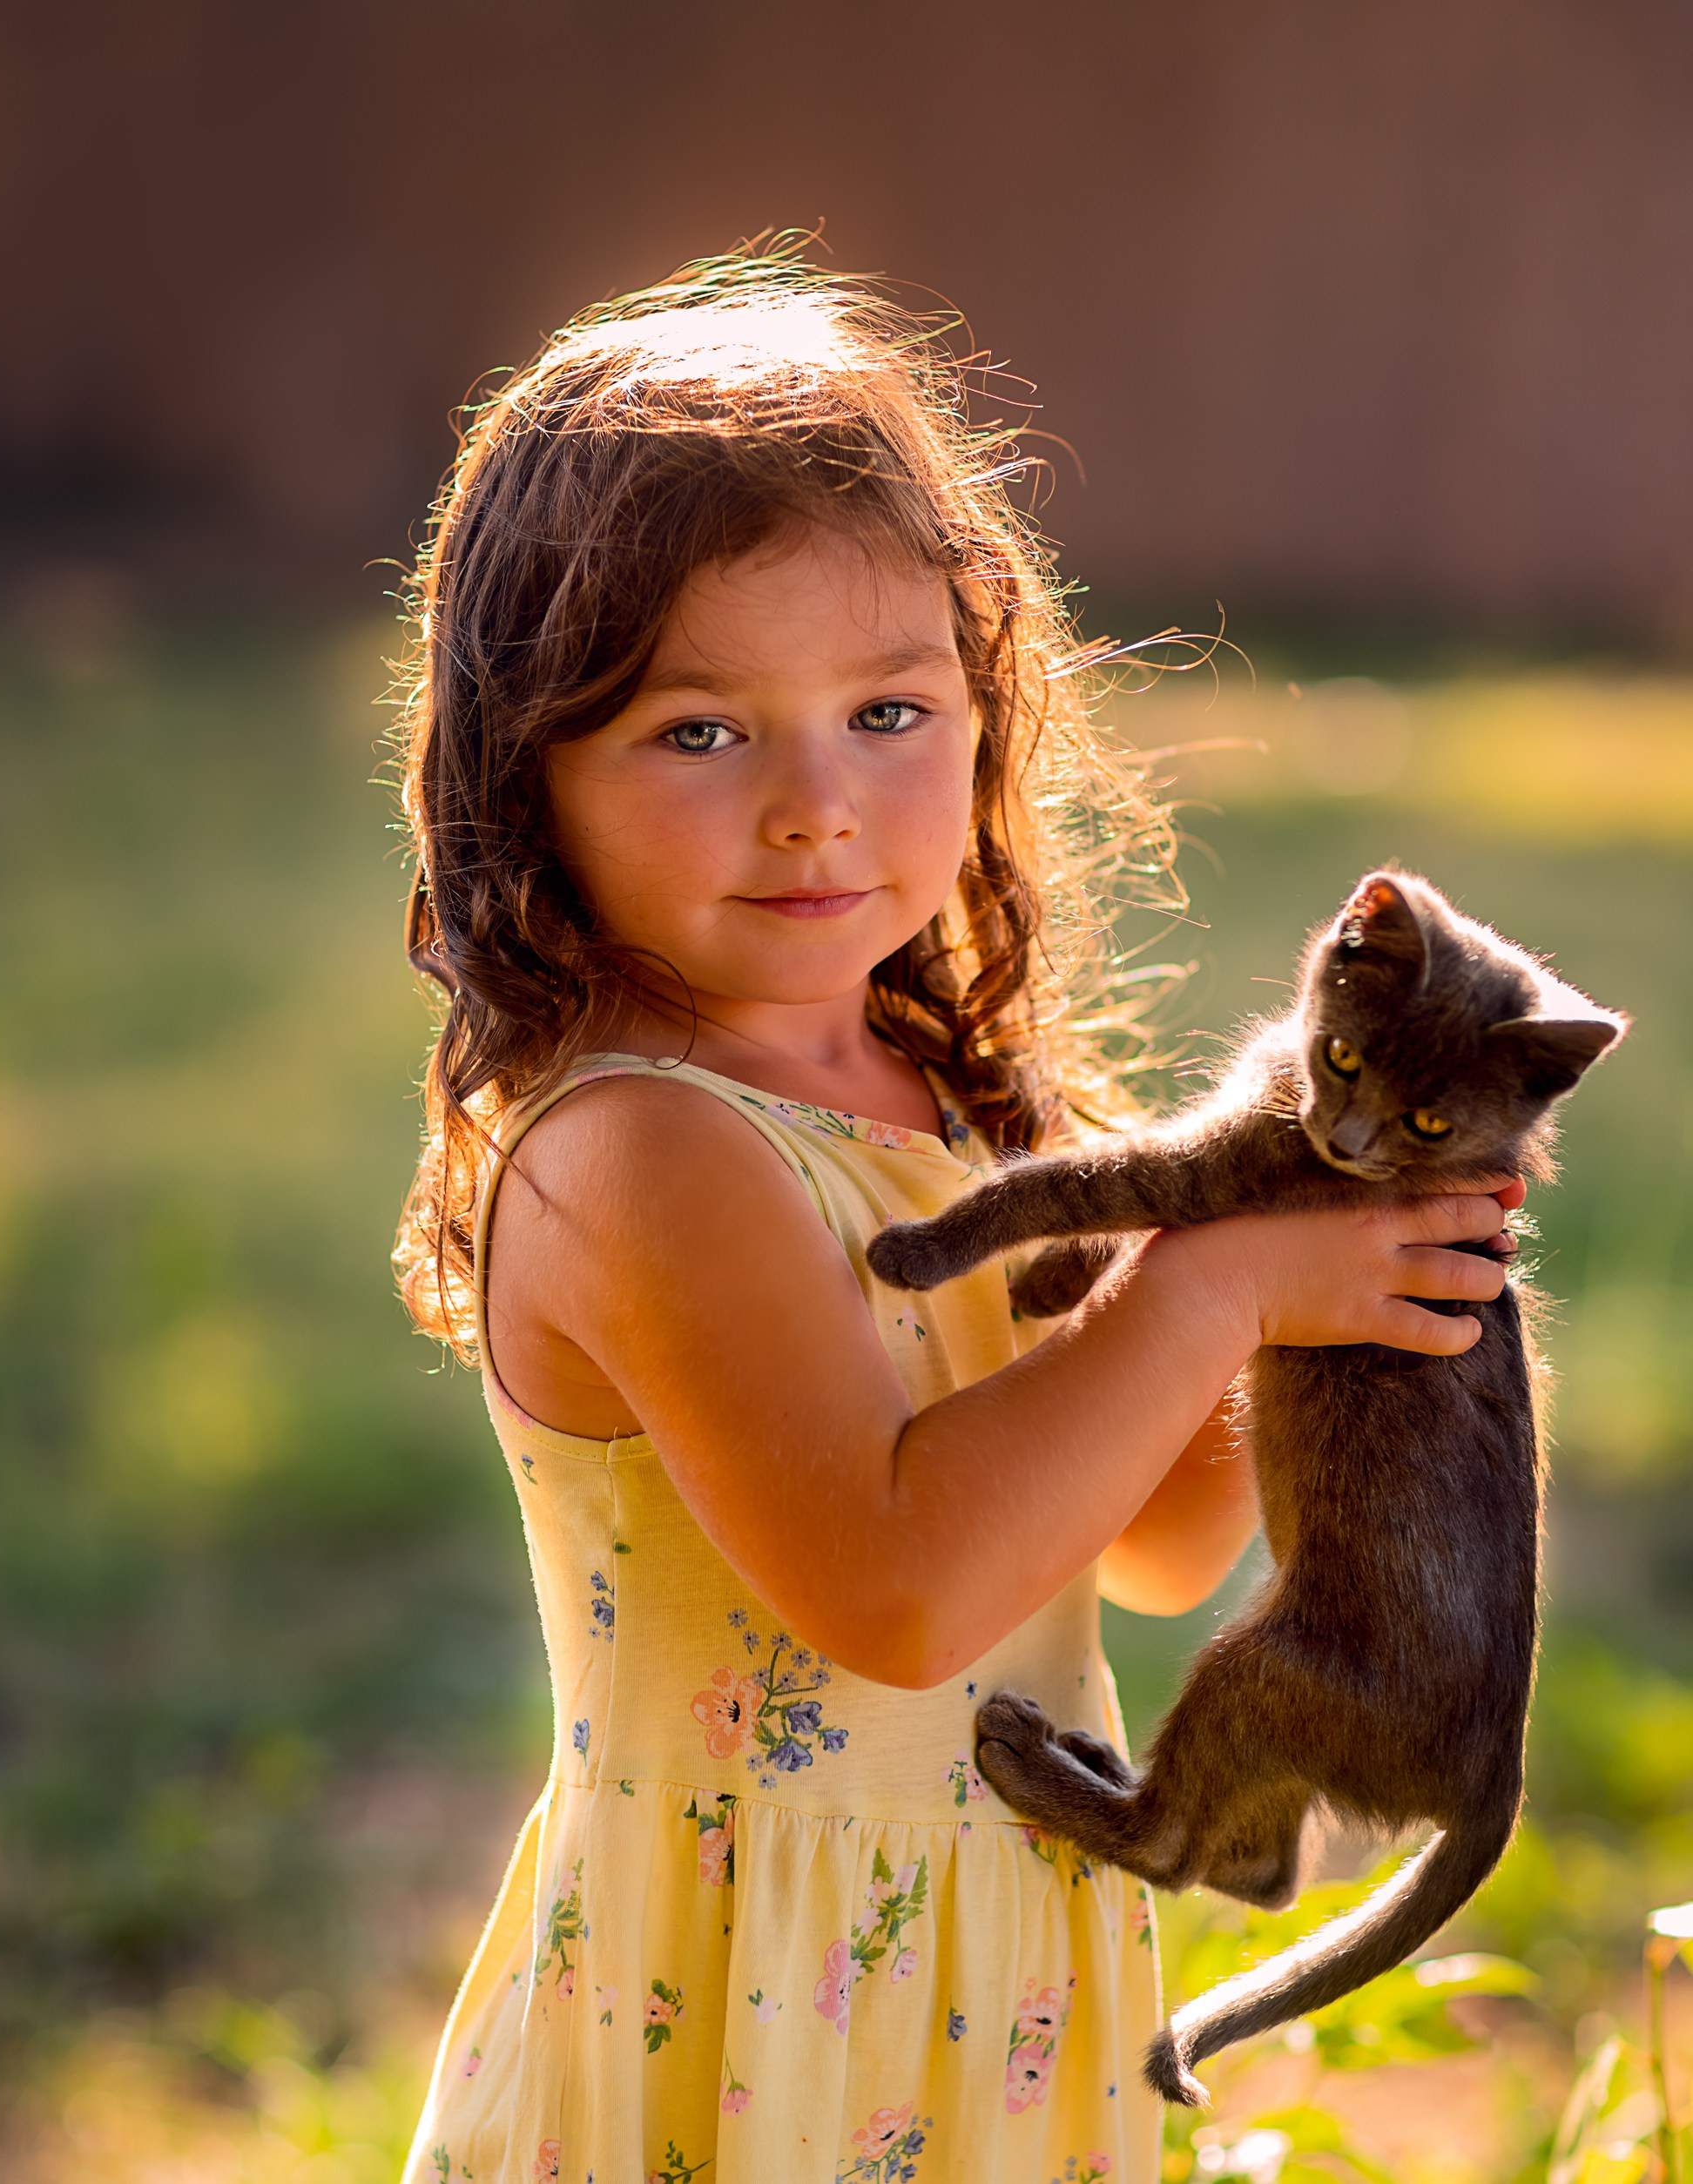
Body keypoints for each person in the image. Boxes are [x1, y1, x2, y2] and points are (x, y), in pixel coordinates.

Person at [391, 246, 1515, 2184]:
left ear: (989, 710)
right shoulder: (641, 1151)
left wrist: (1318, 1285)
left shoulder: (962, 1100)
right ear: (528, 775)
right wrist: (1217, 1284)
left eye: (890, 713)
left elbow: (1149, 1547)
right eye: (699, 732)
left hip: (989, 1965)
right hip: (743, 2009)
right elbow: (898, 1588)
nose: (818, 806)